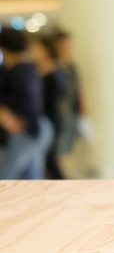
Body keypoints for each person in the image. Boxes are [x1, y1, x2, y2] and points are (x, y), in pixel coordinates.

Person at [0, 28, 53, 179]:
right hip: (35, 128)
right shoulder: (29, 68)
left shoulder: (18, 71)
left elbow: (25, 98)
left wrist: (4, 115)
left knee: (5, 177)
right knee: (31, 177)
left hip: (23, 131)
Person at [30, 35, 66, 179]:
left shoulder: (53, 72)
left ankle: (66, 189)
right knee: (44, 160)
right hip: (46, 118)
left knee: (49, 160)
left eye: (36, 49)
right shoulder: (38, 70)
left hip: (50, 119)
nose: (33, 52)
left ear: (46, 50)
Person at [53, 30, 84, 156]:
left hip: (71, 111)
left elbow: (78, 87)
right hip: (57, 112)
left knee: (67, 144)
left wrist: (83, 106)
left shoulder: (72, 66)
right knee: (57, 145)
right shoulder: (52, 66)